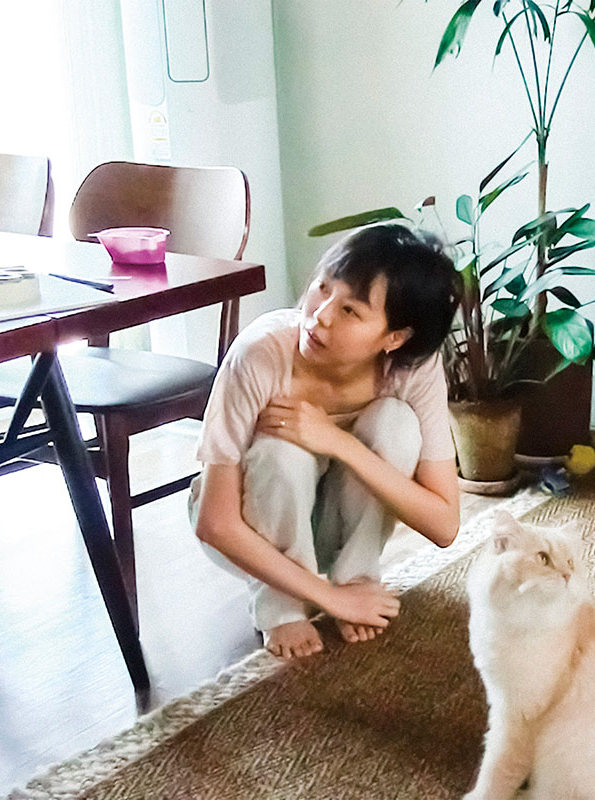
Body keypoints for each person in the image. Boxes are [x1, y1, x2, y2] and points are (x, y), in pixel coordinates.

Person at [191, 224, 462, 659]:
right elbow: (215, 523)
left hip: (334, 524)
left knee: (395, 423)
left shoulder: (411, 369)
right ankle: (281, 605)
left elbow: (444, 525)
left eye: (351, 310)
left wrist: (337, 441)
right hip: (251, 525)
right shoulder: (260, 354)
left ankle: (358, 579)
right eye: (322, 287)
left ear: (395, 338)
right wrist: (329, 599)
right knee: (281, 450)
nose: (320, 315)